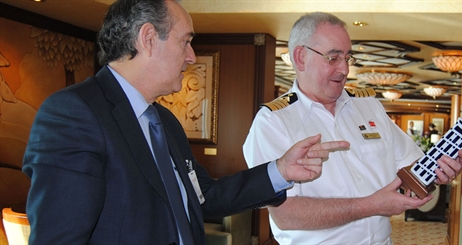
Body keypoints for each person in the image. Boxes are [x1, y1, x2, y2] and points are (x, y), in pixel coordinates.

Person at [21, 1, 350, 244]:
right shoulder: (74, 113)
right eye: (185, 41)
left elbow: (204, 197)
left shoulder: (162, 119)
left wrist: (280, 170)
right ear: (149, 38)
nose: (192, 56)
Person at [243, 12, 462, 244]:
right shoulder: (273, 122)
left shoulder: (369, 106)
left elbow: (409, 165)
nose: (344, 69)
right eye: (333, 57)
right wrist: (371, 205)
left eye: (347, 58)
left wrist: (438, 168)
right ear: (301, 57)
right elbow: (286, 215)